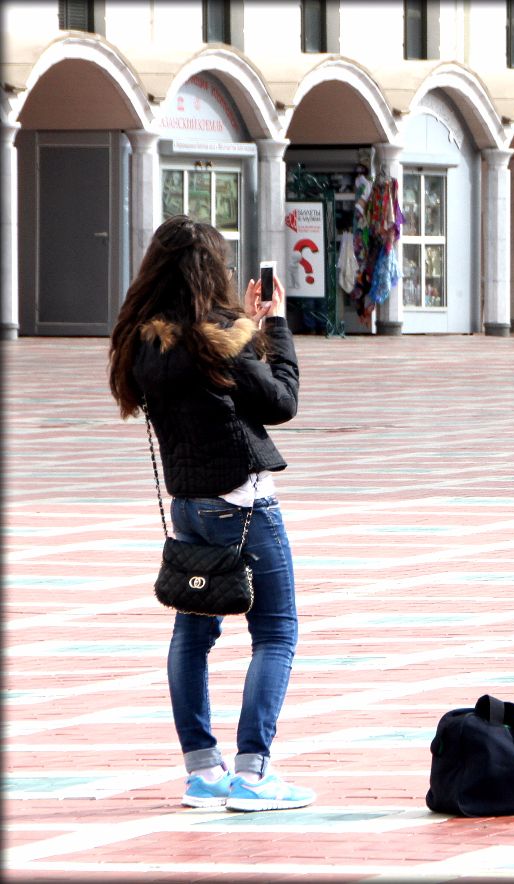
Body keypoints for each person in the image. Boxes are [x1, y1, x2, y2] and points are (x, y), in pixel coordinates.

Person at [108, 216, 314, 812]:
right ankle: (252, 775)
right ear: (209, 271)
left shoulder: (143, 342)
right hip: (243, 504)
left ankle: (203, 772)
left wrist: (247, 325)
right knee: (276, 632)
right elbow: (282, 401)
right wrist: (271, 325)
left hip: (189, 507)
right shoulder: (217, 335)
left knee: (192, 635)